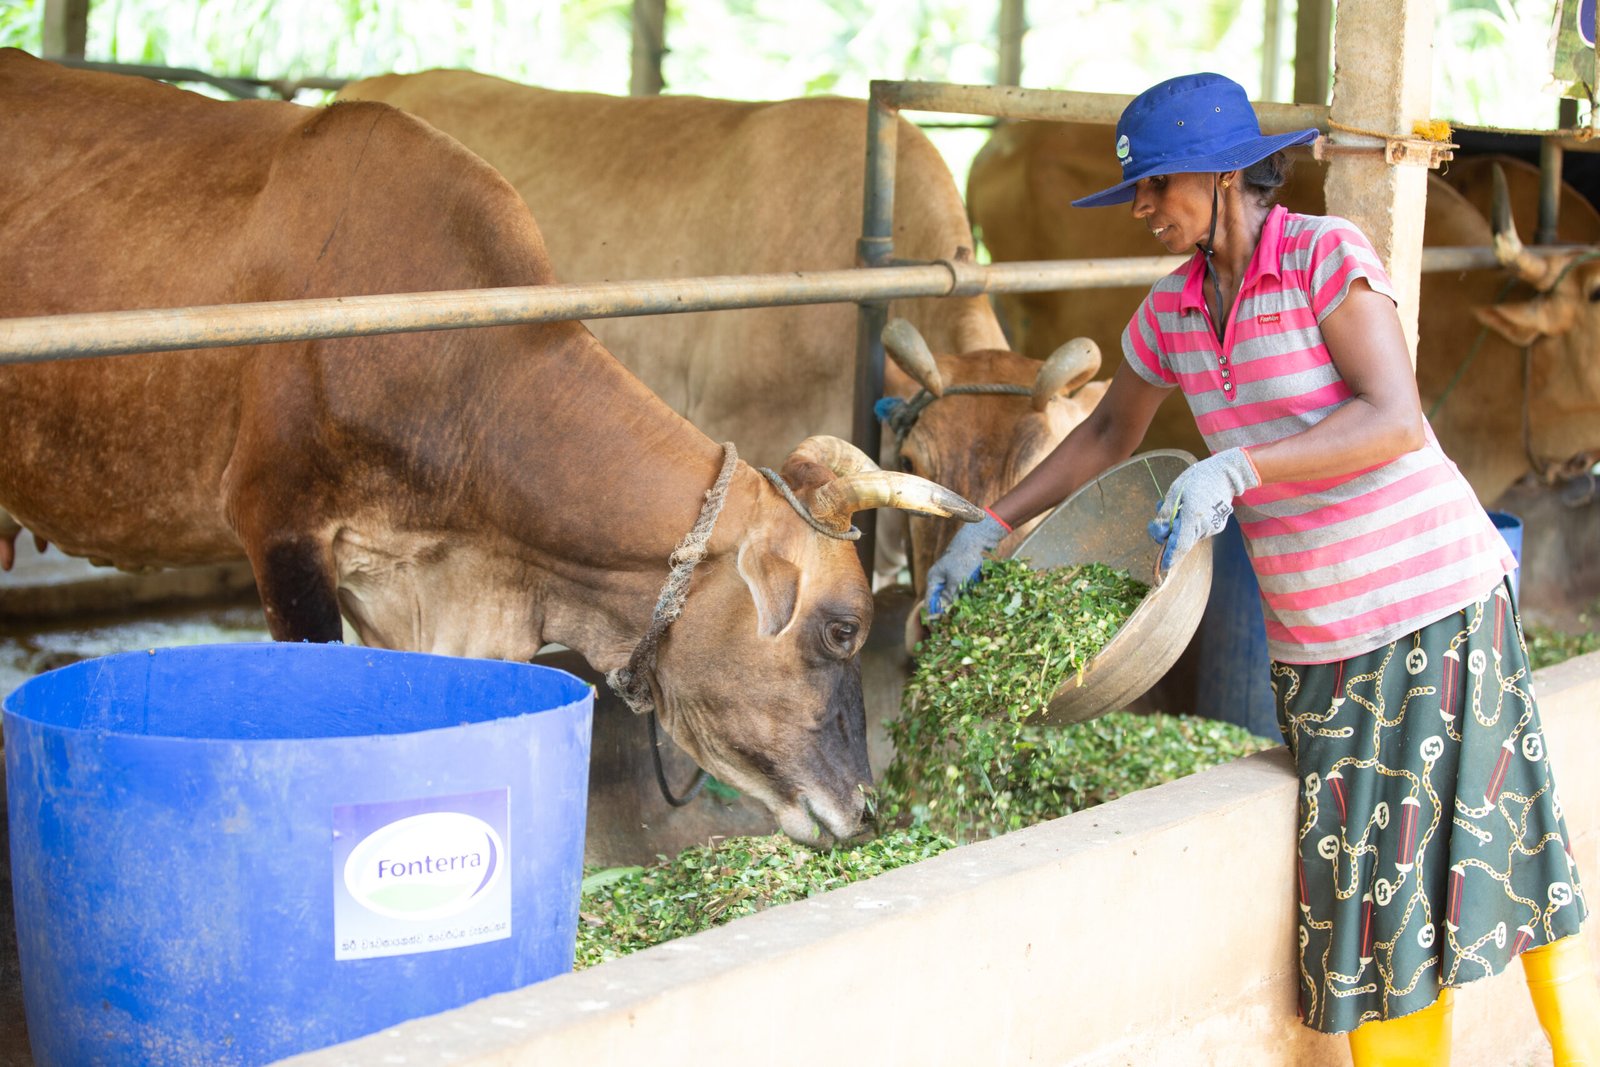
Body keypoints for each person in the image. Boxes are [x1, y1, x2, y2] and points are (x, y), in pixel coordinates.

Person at [926, 72, 1599, 1064]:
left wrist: (1243, 464)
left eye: (1155, 187)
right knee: (1366, 897)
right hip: (1315, 635)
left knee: (1452, 866)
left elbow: (1393, 416)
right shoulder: (1172, 310)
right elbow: (1112, 430)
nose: (1145, 210)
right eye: (1139, 194)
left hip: (1428, 602)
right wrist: (990, 520)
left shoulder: (1324, 256)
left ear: (1222, 173)